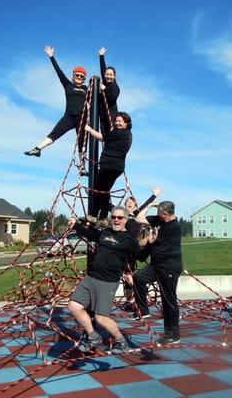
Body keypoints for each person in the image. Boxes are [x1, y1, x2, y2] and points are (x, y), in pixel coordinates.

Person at [67, 206, 140, 354]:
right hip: (91, 277)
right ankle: (93, 336)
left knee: (101, 318)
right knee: (74, 306)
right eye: (113, 217)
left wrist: (152, 242)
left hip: (108, 282)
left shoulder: (129, 240)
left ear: (125, 220)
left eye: (119, 218)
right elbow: (90, 234)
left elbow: (142, 255)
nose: (116, 220)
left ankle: (120, 340)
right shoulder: (105, 233)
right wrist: (75, 224)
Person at [25, 46, 88, 168]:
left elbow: (98, 94)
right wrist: (51, 57)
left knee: (82, 143)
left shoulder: (86, 89)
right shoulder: (68, 85)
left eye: (81, 76)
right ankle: (38, 149)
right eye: (77, 75)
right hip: (69, 117)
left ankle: (82, 166)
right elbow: (59, 72)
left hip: (82, 119)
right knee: (55, 134)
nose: (79, 77)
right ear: (73, 76)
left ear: (84, 79)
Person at [132, 201, 183, 344]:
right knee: (139, 278)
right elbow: (138, 218)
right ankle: (144, 311)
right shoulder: (158, 220)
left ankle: (173, 334)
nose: (157, 215)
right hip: (156, 266)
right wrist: (151, 204)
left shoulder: (174, 228)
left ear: (165, 214)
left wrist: (152, 241)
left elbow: (161, 249)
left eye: (159, 213)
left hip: (169, 267)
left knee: (168, 300)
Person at [85, 112, 132, 221]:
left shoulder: (119, 132)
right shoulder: (128, 134)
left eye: (120, 121)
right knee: (105, 191)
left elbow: (102, 137)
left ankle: (94, 215)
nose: (117, 123)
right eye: (116, 121)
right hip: (117, 167)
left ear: (126, 123)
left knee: (99, 190)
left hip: (109, 165)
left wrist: (90, 130)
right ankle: (102, 217)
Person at [98, 47, 120, 134]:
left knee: (110, 136)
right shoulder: (105, 83)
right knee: (104, 137)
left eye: (111, 75)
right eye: (107, 74)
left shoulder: (114, 86)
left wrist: (104, 89)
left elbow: (112, 98)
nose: (108, 76)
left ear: (114, 76)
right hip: (103, 116)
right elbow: (103, 69)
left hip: (111, 116)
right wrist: (101, 56)